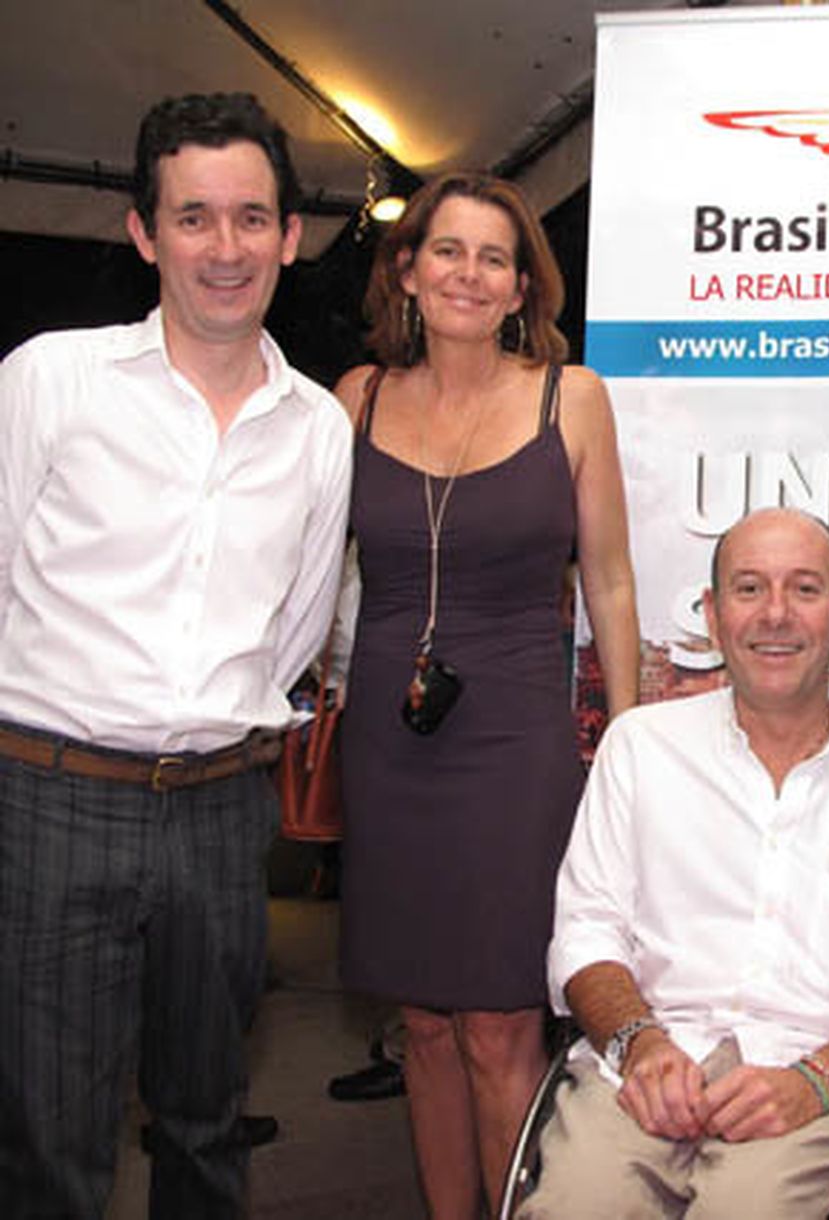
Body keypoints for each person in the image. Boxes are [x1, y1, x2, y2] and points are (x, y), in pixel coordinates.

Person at [0, 92, 351, 1218]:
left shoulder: (318, 427)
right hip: (51, 796)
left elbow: (297, 627)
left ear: (291, 236)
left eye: (252, 218)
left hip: (217, 807)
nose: (225, 247)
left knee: (208, 1126)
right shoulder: (51, 378)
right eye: (193, 218)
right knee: (52, 1140)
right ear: (145, 232)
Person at [521, 508, 829, 1219]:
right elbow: (586, 934)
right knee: (574, 1206)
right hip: (645, 1069)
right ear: (710, 614)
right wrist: (641, 1045)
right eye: (747, 589)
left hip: (824, 1083)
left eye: (804, 589)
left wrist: (817, 1081)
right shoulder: (639, 749)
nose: (775, 615)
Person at [333, 171, 640, 1220]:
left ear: (521, 288)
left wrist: (627, 749)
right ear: (408, 271)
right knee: (422, 1020)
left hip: (516, 743)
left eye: (493, 257)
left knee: (503, 1022)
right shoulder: (354, 396)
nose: (469, 271)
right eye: (447, 250)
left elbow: (608, 581)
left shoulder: (573, 397)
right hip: (387, 733)